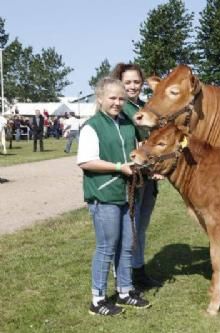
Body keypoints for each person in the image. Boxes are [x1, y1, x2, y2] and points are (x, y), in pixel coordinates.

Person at [77, 77, 151, 316]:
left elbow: (139, 152)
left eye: (121, 98)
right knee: (107, 247)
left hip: (128, 194)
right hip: (104, 194)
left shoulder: (128, 125)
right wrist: (119, 167)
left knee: (127, 246)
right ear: (100, 99)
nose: (118, 102)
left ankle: (124, 290)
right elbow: (86, 161)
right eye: (113, 98)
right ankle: (97, 299)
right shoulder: (92, 126)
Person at [111, 63, 161, 289]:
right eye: (127, 82)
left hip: (148, 176)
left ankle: (138, 270)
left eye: (136, 82)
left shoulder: (145, 107)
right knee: (128, 229)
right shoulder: (117, 109)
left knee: (140, 228)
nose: (132, 87)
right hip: (130, 177)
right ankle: (123, 275)